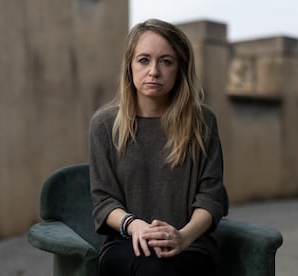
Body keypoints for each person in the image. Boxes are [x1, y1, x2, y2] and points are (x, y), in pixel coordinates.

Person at [89, 18, 226, 276]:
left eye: (166, 61)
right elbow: (104, 201)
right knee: (152, 268)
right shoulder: (104, 125)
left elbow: (211, 198)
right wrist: (136, 227)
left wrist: (183, 237)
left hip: (191, 247)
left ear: (180, 68)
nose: (154, 71)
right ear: (129, 66)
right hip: (126, 245)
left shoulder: (203, 122)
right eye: (143, 60)